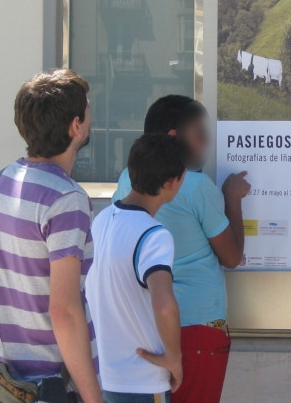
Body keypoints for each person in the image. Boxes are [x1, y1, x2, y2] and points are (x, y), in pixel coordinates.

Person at [0, 70, 101, 402]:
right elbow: (64, 311)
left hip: (8, 386)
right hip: (53, 387)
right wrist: (93, 397)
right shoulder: (66, 200)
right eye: (87, 109)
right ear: (76, 125)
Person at [112, 95, 250, 403]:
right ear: (174, 138)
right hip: (197, 330)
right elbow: (231, 256)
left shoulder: (126, 181)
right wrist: (232, 199)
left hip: (147, 329)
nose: (206, 142)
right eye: (199, 133)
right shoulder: (199, 187)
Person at [86, 134, 188, 403]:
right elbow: (164, 305)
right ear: (171, 182)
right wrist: (174, 359)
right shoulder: (154, 235)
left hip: (104, 377)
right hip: (143, 381)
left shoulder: (102, 219)